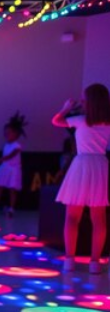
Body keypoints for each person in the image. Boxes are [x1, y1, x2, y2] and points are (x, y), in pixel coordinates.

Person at [52, 83, 110, 274]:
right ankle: (94, 262)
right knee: (99, 218)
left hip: (81, 165)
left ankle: (69, 260)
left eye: (85, 98)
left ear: (91, 101)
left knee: (72, 216)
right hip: (100, 165)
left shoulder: (80, 120)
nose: (82, 101)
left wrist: (66, 108)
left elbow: (56, 120)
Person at [0, 112, 27, 217]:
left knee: (12, 189)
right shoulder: (6, 145)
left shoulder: (17, 146)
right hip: (5, 168)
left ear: (16, 134)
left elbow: (10, 156)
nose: (6, 135)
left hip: (14, 169)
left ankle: (11, 209)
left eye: (9, 133)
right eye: (5, 133)